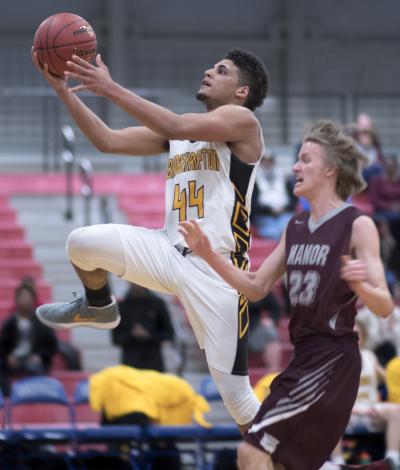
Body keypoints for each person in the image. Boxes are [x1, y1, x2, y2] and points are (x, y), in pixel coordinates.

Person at [32, 48, 269, 432]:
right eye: (211, 65)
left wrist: (109, 88)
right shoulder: (181, 134)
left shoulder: (243, 122)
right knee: (81, 242)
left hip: (217, 270)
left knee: (239, 401)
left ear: (241, 91)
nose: (209, 70)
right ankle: (99, 306)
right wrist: (65, 91)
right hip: (165, 248)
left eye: (221, 70)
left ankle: (289, 459)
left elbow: (175, 124)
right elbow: (107, 140)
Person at [179, 120, 394, 470]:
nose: (295, 166)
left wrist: (361, 286)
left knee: (251, 453)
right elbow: (255, 286)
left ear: (330, 170)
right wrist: (207, 253)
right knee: (280, 464)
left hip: (332, 360)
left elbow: (383, 305)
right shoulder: (294, 228)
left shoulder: (358, 224)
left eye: (305, 159)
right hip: (303, 358)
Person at [330, 321, 400, 466]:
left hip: (372, 410)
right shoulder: (336, 360)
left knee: (396, 411)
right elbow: (332, 394)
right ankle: (338, 462)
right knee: (332, 413)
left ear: (363, 336)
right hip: (348, 413)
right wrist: (356, 409)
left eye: (358, 334)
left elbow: (387, 377)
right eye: (351, 334)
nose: (355, 337)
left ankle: (392, 459)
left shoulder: (370, 356)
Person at [0, 284, 58, 396]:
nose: (24, 300)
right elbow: (2, 346)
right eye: (22, 297)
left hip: (33, 360)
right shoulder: (9, 323)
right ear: (17, 299)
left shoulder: (42, 322)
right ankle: (7, 396)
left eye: (27, 297)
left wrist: (40, 356)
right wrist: (8, 356)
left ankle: (37, 397)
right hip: (15, 359)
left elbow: (52, 345)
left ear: (33, 299)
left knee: (36, 369)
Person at [112, 283, 175, 372]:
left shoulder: (157, 303)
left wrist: (149, 335)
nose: (137, 284)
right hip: (130, 364)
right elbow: (115, 338)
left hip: (153, 363)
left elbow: (169, 334)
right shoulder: (122, 305)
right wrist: (132, 335)